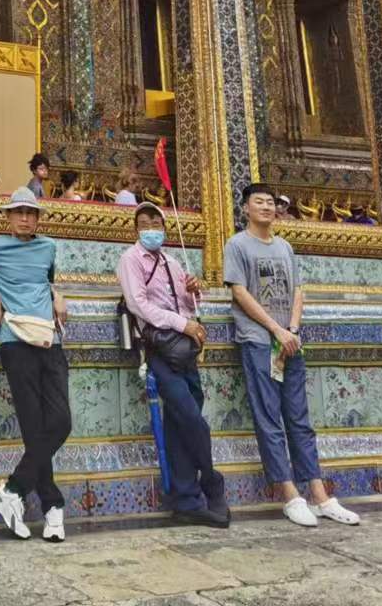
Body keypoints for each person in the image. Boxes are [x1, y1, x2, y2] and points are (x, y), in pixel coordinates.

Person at [225, 183, 361, 528]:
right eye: (259, 202)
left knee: (299, 419)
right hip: (259, 340)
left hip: (291, 342)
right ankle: (289, 495)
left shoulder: (284, 246)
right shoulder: (237, 245)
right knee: (269, 418)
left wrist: (293, 330)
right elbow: (239, 292)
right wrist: (276, 329)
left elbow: (298, 290)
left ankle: (319, 495)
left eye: (271, 202)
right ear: (245, 208)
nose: (266, 207)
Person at [0, 189, 71, 542]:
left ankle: (12, 491)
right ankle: (53, 508)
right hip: (14, 340)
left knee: (61, 422)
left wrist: (57, 295)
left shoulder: (48, 247)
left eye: (30, 213)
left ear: (37, 218)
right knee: (34, 426)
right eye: (18, 212)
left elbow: (44, 282)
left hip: (48, 339)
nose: (25, 218)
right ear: (8, 217)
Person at [119, 202, 228, 526]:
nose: (151, 229)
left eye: (156, 223)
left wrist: (194, 292)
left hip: (185, 350)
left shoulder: (173, 262)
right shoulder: (130, 260)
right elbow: (138, 305)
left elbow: (187, 306)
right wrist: (183, 325)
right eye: (144, 224)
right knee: (193, 419)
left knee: (180, 424)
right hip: (159, 350)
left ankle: (186, 500)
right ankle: (212, 482)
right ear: (136, 229)